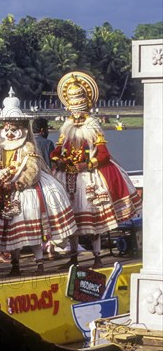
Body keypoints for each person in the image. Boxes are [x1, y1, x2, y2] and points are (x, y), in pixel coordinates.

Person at [0, 88, 77, 276]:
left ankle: (39, 262)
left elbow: (33, 170)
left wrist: (18, 183)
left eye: (14, 129)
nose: (9, 133)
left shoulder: (28, 148)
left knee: (31, 231)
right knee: (9, 234)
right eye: (6, 129)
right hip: (1, 194)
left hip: (25, 193)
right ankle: (15, 265)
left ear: (23, 129)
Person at [51, 72, 142, 269]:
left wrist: (87, 164)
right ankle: (74, 257)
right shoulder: (66, 128)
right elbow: (58, 150)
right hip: (69, 177)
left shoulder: (92, 126)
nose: (76, 114)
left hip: (89, 178)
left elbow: (103, 154)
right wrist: (57, 159)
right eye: (72, 108)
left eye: (79, 108)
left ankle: (97, 257)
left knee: (95, 221)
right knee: (72, 221)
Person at [32, 117, 61, 260]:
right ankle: (50, 249)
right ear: (43, 130)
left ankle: (38, 251)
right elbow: (53, 165)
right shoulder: (48, 143)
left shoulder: (28, 143)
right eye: (47, 129)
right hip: (47, 183)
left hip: (31, 184)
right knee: (49, 217)